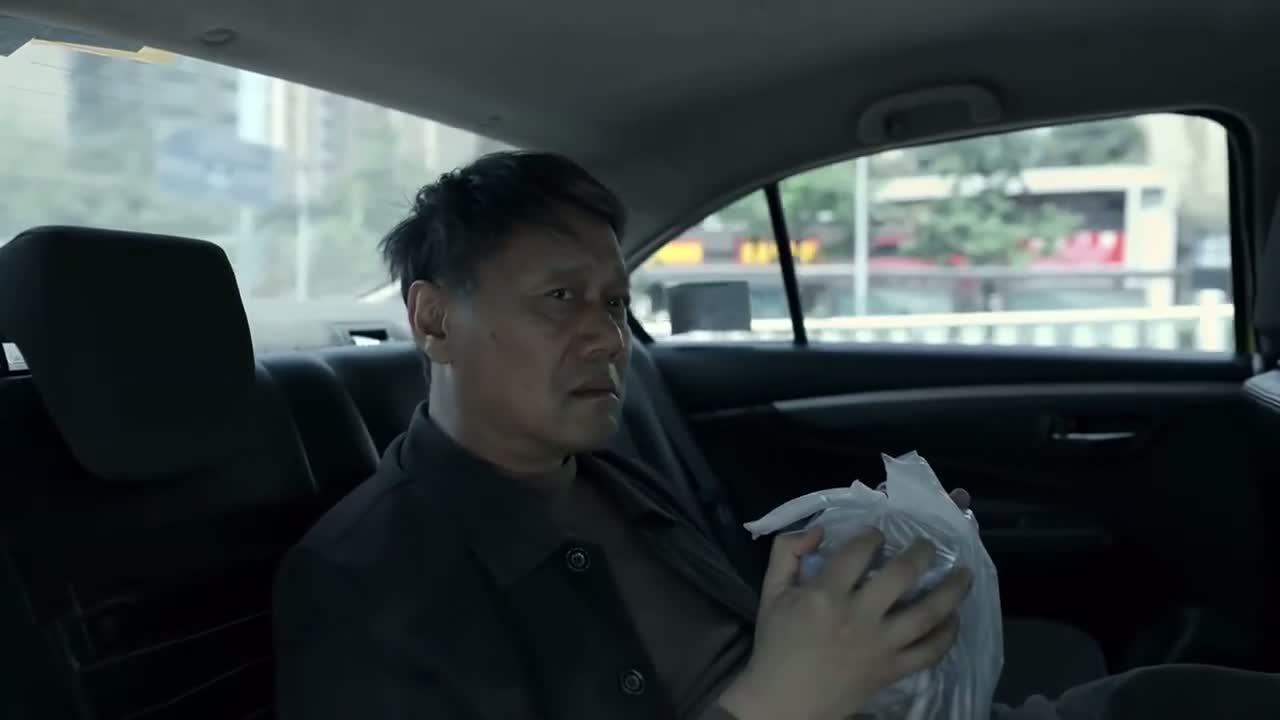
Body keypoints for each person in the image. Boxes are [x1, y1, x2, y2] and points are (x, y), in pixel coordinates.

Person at [273, 151, 1280, 720]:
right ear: (433, 320)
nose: (608, 336)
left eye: (616, 302)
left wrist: (862, 579)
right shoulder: (363, 587)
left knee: (1162, 701)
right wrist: (774, 703)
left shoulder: (607, 477)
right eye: (560, 298)